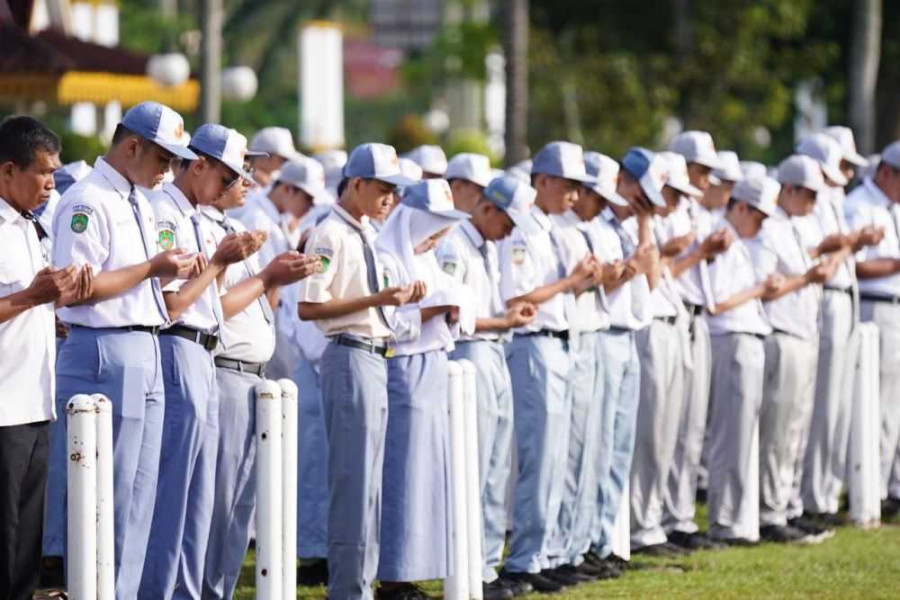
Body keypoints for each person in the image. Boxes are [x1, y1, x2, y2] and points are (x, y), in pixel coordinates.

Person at [51, 101, 199, 598]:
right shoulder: (89, 201)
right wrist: (152, 270)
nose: (169, 171)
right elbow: (75, 289)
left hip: (143, 344)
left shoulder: (135, 198)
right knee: (105, 496)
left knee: (139, 495)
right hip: (104, 347)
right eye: (163, 159)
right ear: (132, 146)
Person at [139, 124, 266, 598]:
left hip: (203, 350)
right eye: (228, 174)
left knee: (199, 495)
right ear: (198, 165)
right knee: (175, 490)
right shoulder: (165, 212)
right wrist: (220, 261)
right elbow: (172, 305)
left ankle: (188, 591)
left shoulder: (195, 214)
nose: (233, 185)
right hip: (177, 345)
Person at [297, 143, 422, 599]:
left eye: (395, 191)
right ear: (357, 184)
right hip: (349, 352)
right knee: (352, 483)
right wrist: (377, 301)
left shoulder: (364, 231)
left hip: (372, 352)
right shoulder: (329, 233)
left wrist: (397, 298)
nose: (391, 198)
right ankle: (348, 589)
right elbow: (310, 306)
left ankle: (360, 585)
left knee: (368, 482)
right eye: (385, 189)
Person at [201, 165, 320, 599]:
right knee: (218, 500)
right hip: (226, 370)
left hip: (254, 374)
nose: (250, 183)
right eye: (237, 173)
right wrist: (268, 276)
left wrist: (274, 278)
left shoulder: (236, 228)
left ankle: (220, 589)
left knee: (239, 504)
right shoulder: (208, 230)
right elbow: (215, 308)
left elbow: (261, 307)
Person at [497, 141, 596, 594]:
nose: (575, 196)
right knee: (538, 456)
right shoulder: (523, 230)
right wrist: (572, 282)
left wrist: (583, 283)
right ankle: (523, 558)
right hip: (534, 345)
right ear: (543, 181)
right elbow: (519, 297)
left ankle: (546, 552)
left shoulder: (555, 229)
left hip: (563, 343)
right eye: (569, 186)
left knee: (561, 456)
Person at [0, 116, 92, 600]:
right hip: (3, 408)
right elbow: (20, 299)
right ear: (8, 170)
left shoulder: (30, 227)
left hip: (35, 400)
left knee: (26, 545)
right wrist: (31, 300)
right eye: (43, 172)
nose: (51, 184)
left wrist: (47, 313)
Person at [436, 174, 540, 599]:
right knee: (474, 467)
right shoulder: (455, 244)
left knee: (497, 467)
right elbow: (450, 314)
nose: (510, 233)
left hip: (495, 350)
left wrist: (505, 323)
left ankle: (486, 566)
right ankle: (467, 570)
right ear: (488, 208)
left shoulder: (486, 246)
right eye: (508, 222)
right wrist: (504, 321)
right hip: (470, 353)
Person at [375, 179, 472, 599]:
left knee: (429, 473)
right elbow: (387, 324)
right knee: (402, 472)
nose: (437, 238)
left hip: (432, 364)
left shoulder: (425, 260)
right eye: (433, 228)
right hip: (403, 369)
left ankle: (416, 568)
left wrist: (450, 311)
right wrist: (435, 308)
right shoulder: (385, 257)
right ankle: (394, 575)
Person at [750, 155, 837, 544]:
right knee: (778, 431)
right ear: (788, 189)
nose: (814, 203)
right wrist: (808, 276)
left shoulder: (800, 227)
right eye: (809, 194)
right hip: (781, 332)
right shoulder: (769, 229)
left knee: (797, 429)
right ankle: (769, 512)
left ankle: (787, 506)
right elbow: (766, 289)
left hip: (804, 332)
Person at [796, 132, 880, 527]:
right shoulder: (812, 203)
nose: (842, 177)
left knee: (837, 403)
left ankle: (823, 493)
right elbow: (823, 259)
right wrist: (853, 243)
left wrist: (850, 243)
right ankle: (813, 497)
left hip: (844, 294)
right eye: (837, 169)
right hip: (825, 296)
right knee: (820, 404)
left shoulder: (832, 201)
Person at [585, 148, 662, 572]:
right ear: (623, 184)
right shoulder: (597, 227)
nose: (642, 204)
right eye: (641, 196)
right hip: (604, 334)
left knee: (619, 447)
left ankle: (606, 540)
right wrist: (634, 264)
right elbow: (610, 283)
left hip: (629, 335)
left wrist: (646, 224)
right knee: (599, 445)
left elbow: (650, 281)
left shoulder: (627, 228)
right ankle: (592, 542)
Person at [549, 152, 625, 579]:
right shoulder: (557, 230)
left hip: (592, 332)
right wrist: (594, 278)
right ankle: (561, 550)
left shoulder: (582, 229)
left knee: (593, 449)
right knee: (570, 450)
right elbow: (561, 288)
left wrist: (610, 276)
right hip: (570, 337)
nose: (593, 201)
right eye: (589, 193)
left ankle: (576, 545)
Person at [662, 133, 733, 549]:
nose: (707, 180)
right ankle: (658, 521)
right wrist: (700, 251)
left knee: (691, 427)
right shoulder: (669, 211)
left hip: (695, 318)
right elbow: (663, 272)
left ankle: (680, 517)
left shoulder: (698, 212)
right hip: (671, 317)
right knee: (666, 429)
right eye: (702, 170)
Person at [705, 175, 779, 544]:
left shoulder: (737, 242)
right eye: (759, 216)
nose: (762, 224)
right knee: (729, 435)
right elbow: (716, 302)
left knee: (744, 434)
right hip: (730, 339)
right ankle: (724, 520)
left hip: (748, 337)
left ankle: (737, 519)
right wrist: (760, 290)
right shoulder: (722, 238)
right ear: (741, 207)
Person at [629, 151, 694, 556]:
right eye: (671, 191)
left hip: (672, 324)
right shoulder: (641, 222)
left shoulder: (662, 223)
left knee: (670, 432)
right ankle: (640, 525)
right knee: (649, 433)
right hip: (648, 329)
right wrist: (647, 224)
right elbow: (649, 281)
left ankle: (651, 520)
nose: (678, 200)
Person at [844, 140, 900, 519]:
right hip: (875, 305)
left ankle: (894, 486)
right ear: (885, 173)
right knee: (878, 403)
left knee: (895, 405)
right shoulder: (859, 206)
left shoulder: (892, 207)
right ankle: (873, 489)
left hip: (896, 307)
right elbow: (857, 266)